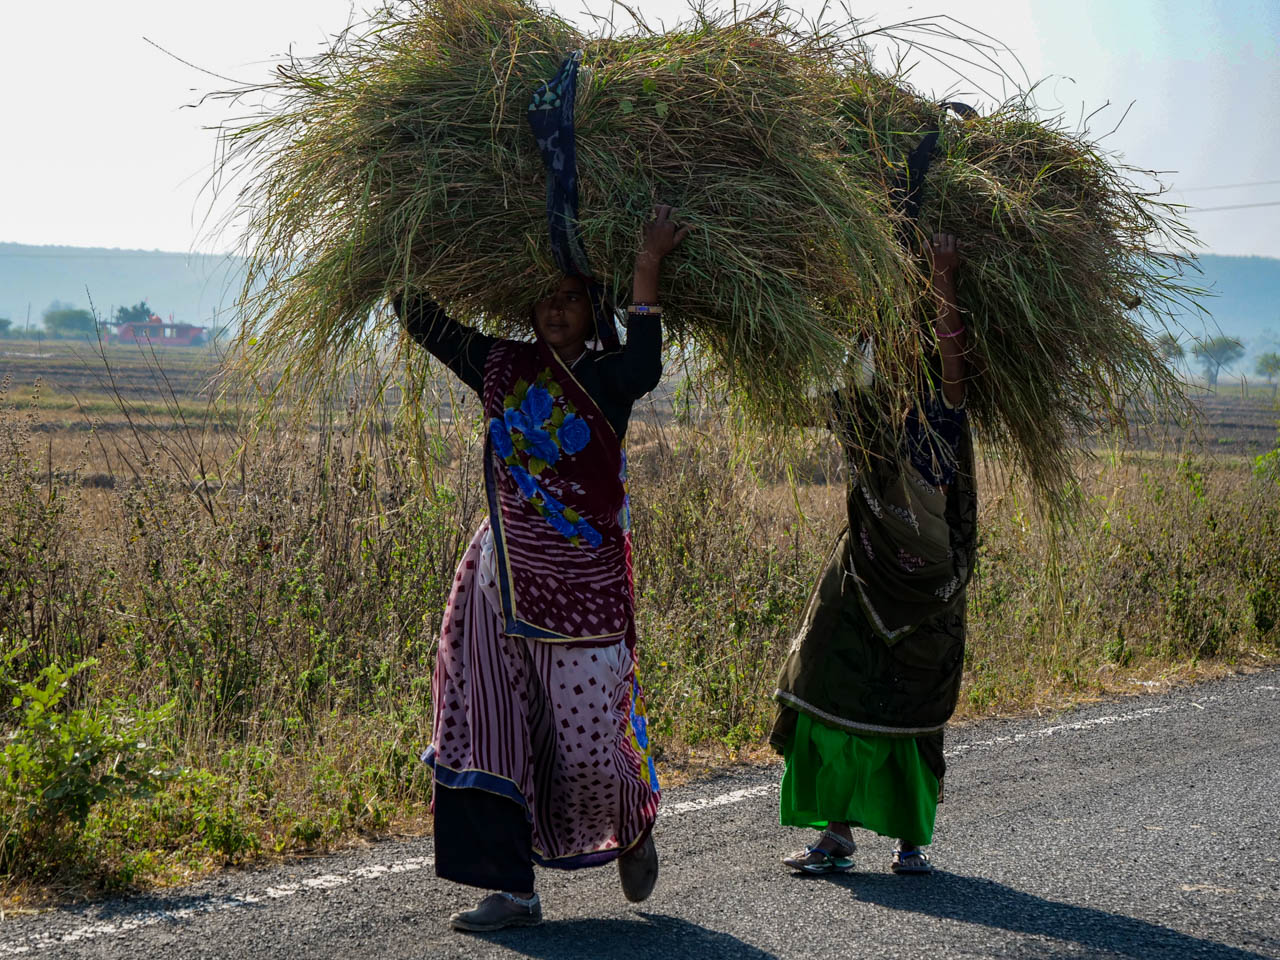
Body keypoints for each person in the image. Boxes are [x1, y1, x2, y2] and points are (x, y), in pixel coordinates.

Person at [396, 205, 690, 932]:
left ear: (593, 309)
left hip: (585, 592)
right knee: (488, 726)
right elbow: (422, 320)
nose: (556, 310)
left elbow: (648, 361)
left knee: (588, 745)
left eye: (571, 297)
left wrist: (648, 262)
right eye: (546, 298)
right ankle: (511, 890)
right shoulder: (501, 364)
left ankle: (632, 820)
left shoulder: (611, 377)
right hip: (499, 584)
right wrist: (402, 238)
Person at [771, 233, 976, 876]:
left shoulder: (940, 416)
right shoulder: (861, 406)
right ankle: (835, 832)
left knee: (910, 696)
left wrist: (941, 276)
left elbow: (951, 355)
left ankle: (911, 839)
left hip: (926, 584)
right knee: (829, 680)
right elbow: (830, 365)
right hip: (862, 570)